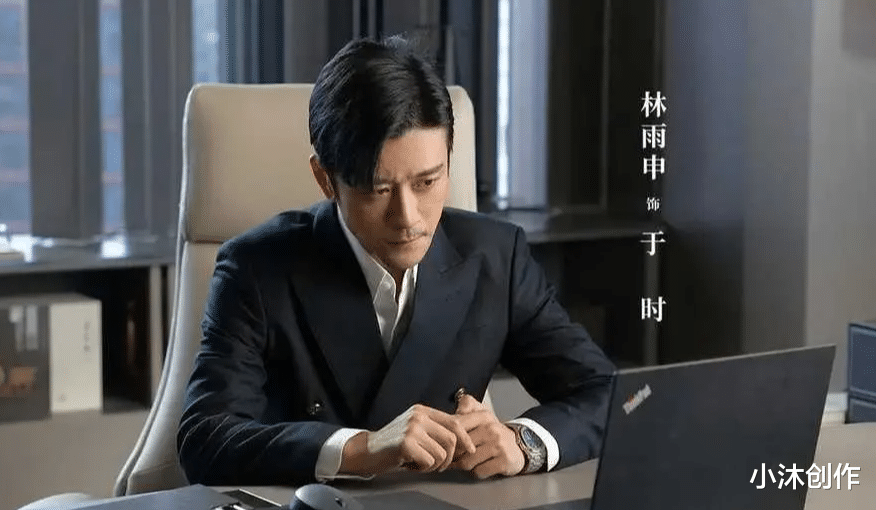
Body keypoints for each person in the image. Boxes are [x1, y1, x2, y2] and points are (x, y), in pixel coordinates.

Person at [177, 36, 615, 487]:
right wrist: (359, 449)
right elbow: (206, 437)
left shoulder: (497, 257)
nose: (407, 218)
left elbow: (608, 393)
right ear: (325, 179)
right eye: (378, 189)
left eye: (427, 183)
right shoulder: (256, 267)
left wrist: (524, 442)